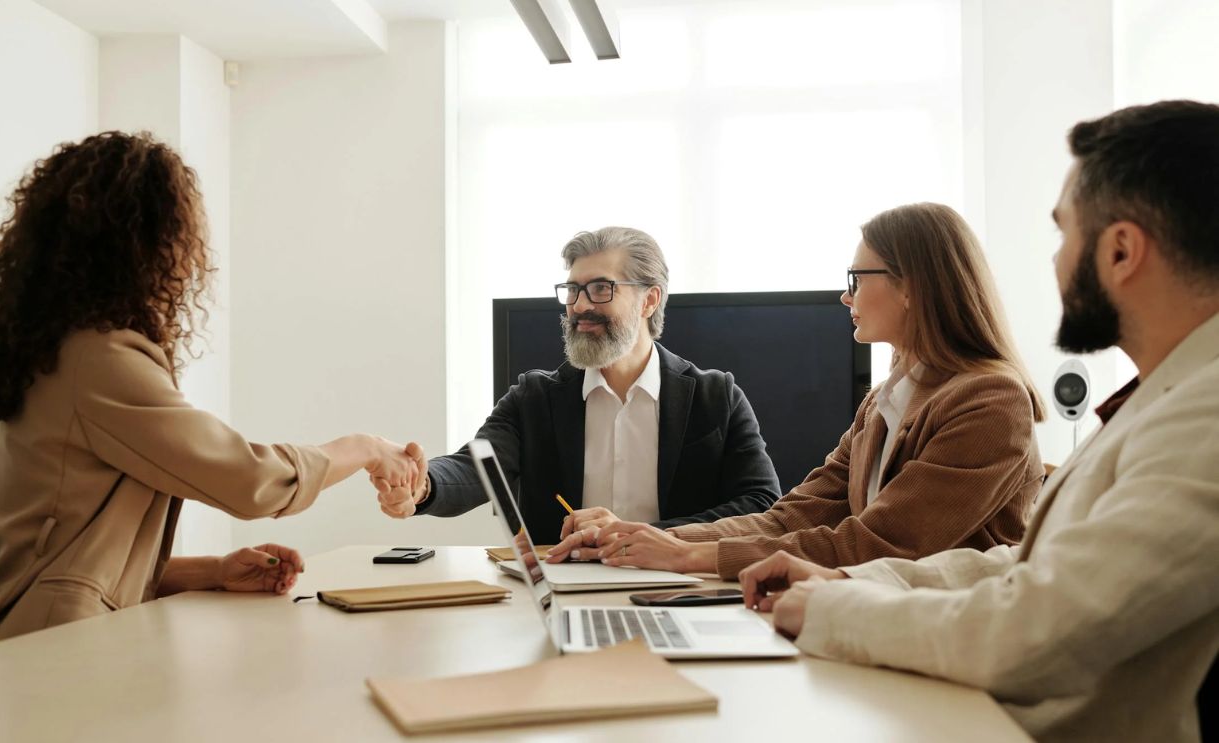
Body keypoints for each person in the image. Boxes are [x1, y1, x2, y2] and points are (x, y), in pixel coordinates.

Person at [739, 100, 1219, 743]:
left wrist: (835, 609)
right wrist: (851, 581)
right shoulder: (1167, 395)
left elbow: (1042, 627)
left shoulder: (1204, 416)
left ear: (1123, 250)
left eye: (1063, 233)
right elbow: (1023, 565)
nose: (1054, 262)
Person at [0, 131, 421, 647]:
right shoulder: (98, 360)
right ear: (145, 241)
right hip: (46, 656)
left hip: (26, 647)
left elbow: (63, 555)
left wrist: (211, 571)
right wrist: (364, 448)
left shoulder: (49, 351)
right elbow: (250, 479)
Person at [548, 203, 1045, 579]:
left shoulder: (990, 402)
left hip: (945, 650)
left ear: (911, 286)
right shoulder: (882, 403)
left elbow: (882, 544)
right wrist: (651, 540)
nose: (845, 295)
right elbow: (792, 516)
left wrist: (692, 555)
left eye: (857, 277)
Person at [375, 226, 781, 544]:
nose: (580, 305)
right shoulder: (533, 398)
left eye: (601, 288)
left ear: (649, 300)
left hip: (678, 583)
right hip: (566, 585)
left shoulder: (716, 397)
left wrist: (644, 536)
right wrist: (422, 485)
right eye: (572, 290)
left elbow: (761, 505)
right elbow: (475, 468)